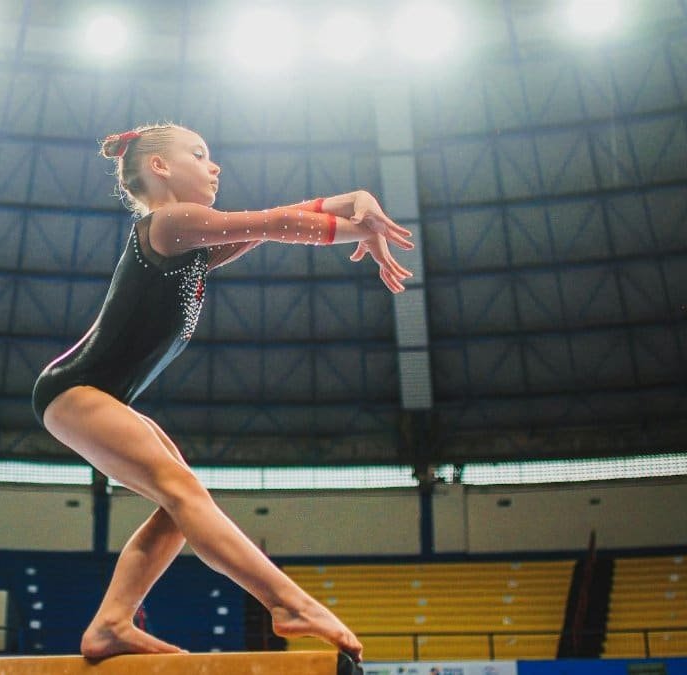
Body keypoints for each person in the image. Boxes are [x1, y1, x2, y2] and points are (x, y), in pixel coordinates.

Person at [31, 123, 414, 661]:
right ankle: (287, 602)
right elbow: (276, 223)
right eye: (200, 155)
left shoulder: (186, 240)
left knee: (179, 504)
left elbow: (262, 226)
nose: (215, 167)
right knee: (183, 494)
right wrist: (350, 224)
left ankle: (112, 623)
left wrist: (347, 202)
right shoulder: (169, 222)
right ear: (160, 168)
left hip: (96, 394)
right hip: (77, 390)